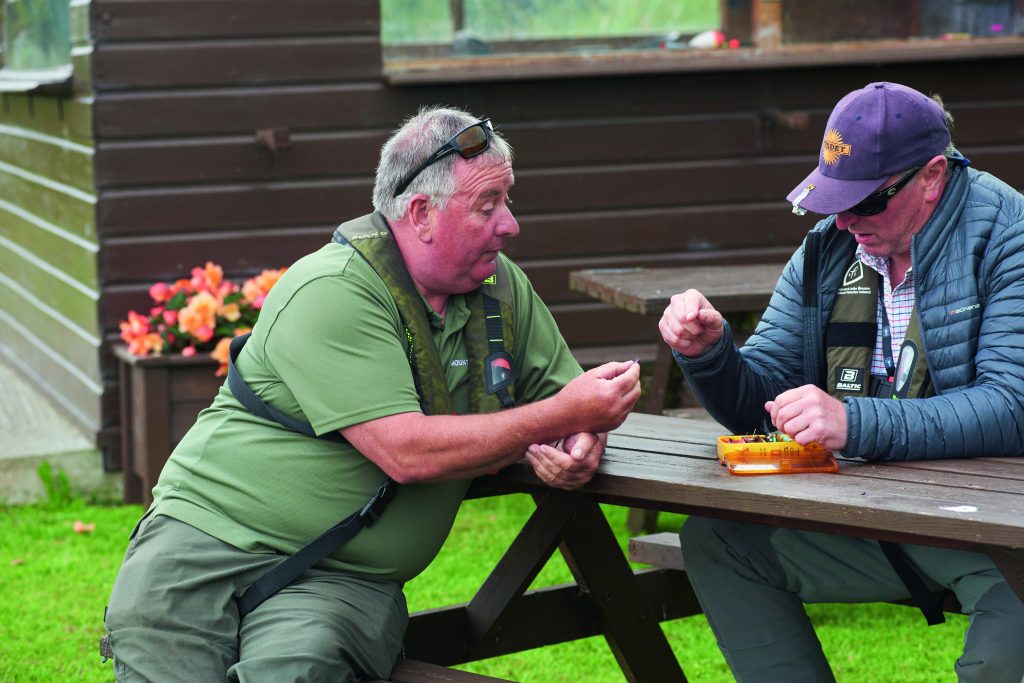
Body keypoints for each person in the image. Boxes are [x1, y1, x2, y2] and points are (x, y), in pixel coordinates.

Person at [104, 106, 641, 682]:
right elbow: (406, 452)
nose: (510, 225)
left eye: (507, 202)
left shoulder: (502, 290)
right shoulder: (333, 289)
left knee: (298, 671)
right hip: (205, 541)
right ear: (421, 214)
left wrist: (582, 439)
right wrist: (559, 416)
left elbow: (569, 398)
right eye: (488, 207)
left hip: (343, 578)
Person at [659, 82, 1024, 682]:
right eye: (833, 198)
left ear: (932, 176)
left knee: (1000, 662)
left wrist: (854, 421)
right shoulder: (828, 247)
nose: (844, 217)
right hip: (878, 520)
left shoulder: (1010, 238)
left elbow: (1010, 407)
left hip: (1001, 533)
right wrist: (711, 353)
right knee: (718, 540)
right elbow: (762, 404)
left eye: (866, 201)